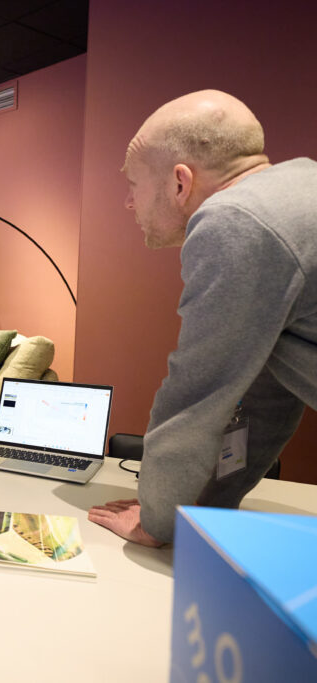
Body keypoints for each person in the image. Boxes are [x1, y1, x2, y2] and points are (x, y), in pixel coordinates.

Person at [89, 90, 317, 546]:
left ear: (179, 182)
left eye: (134, 184)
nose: (129, 204)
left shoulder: (234, 221)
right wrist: (202, 512)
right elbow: (268, 399)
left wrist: (155, 521)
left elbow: (195, 398)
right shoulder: (298, 187)